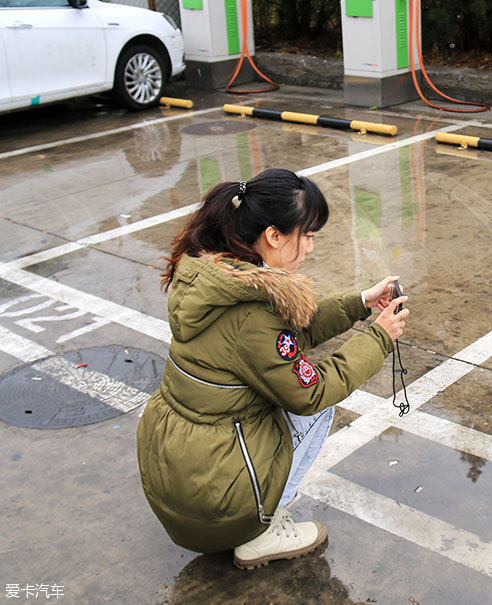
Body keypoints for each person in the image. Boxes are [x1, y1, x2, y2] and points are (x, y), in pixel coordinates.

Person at [136, 168, 409, 570]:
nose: (311, 247)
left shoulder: (213, 275)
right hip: (215, 504)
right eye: (309, 234)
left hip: (179, 475)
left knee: (289, 391)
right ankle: (259, 530)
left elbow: (284, 335)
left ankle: (251, 506)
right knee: (318, 407)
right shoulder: (252, 310)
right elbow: (310, 391)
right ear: (274, 235)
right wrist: (380, 337)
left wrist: (361, 303)